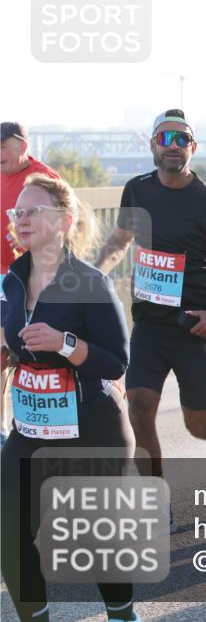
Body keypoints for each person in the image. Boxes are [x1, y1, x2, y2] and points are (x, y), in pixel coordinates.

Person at [95, 110, 206, 512]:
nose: (173, 145)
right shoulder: (137, 190)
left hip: (194, 327)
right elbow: (120, 239)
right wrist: (93, 274)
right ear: (153, 144)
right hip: (150, 324)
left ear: (193, 148)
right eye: (165, 137)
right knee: (138, 406)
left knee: (197, 424)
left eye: (182, 139)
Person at [1, 175, 142, 622]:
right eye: (15, 213)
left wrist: (64, 343)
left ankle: (122, 614)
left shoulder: (90, 282)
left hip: (91, 429)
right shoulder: (12, 282)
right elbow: (14, 343)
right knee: (8, 526)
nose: (21, 220)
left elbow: (116, 362)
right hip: (31, 429)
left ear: (63, 221)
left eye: (31, 211)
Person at [1, 122, 62, 446]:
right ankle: (5, 434)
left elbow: (66, 225)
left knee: (23, 352)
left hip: (29, 279)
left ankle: (43, 429)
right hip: (3, 278)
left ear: (22, 145)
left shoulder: (43, 178)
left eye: (2, 146)